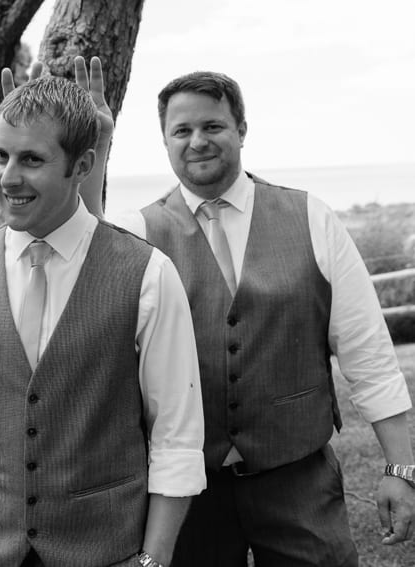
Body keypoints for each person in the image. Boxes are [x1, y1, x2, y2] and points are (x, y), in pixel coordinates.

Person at [102, 71, 415, 565]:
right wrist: (95, 152)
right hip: (185, 493)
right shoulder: (135, 234)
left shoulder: (311, 217)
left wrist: (400, 468)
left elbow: (369, 353)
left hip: (299, 479)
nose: (197, 141)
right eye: (182, 130)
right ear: (164, 141)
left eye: (213, 126)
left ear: (242, 129)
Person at [0, 62, 206, 567]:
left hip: (107, 551)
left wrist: (152, 562)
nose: (8, 177)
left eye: (31, 159)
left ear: (82, 164)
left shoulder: (149, 275)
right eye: (0, 155)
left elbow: (176, 438)